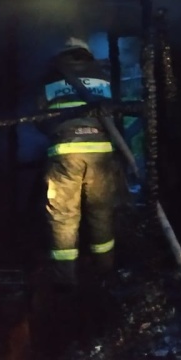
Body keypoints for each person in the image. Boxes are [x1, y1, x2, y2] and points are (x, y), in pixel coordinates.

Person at [38, 37, 123, 292]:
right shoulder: (103, 75)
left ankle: (66, 281)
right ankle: (105, 269)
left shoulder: (49, 76)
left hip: (65, 152)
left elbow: (39, 119)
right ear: (85, 53)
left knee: (64, 216)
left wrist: (60, 132)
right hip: (101, 152)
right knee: (101, 211)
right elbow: (116, 113)